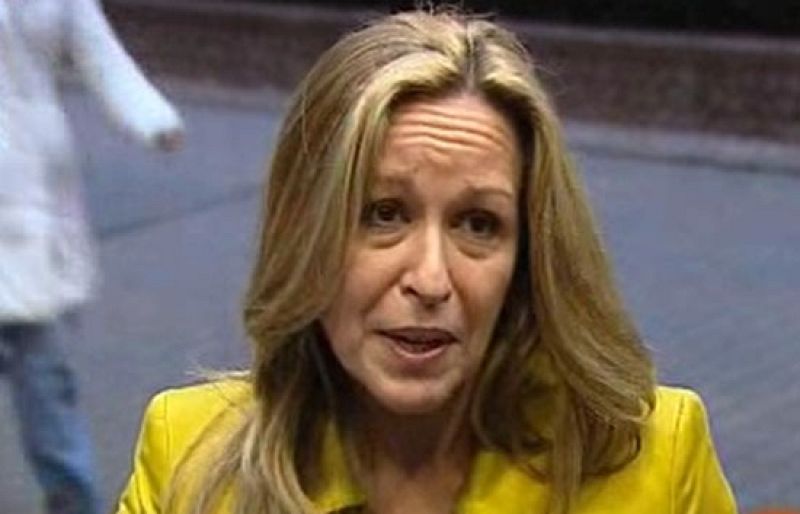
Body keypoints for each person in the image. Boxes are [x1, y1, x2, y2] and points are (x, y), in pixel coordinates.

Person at [114, 9, 736, 514]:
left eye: (478, 224)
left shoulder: (654, 457)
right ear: (303, 233)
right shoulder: (188, 455)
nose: (431, 280)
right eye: (384, 214)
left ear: (525, 261)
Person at [0, 0, 184, 513]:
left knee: (46, 381)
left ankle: (73, 501)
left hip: (36, 199)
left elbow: (101, 54)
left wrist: (152, 118)